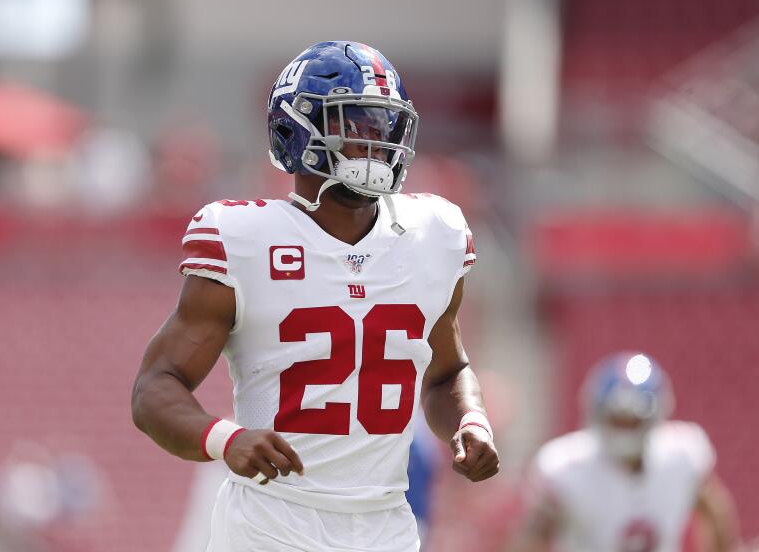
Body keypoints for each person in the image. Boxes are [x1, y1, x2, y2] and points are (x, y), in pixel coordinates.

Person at [131, 41, 500, 552]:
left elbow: (446, 372)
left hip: (386, 527)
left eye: (381, 126)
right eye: (353, 126)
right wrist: (226, 439)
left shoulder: (432, 235)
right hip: (270, 526)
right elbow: (153, 388)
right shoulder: (243, 238)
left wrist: (470, 420)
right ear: (296, 130)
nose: (373, 143)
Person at [507, 352, 740, 552]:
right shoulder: (565, 467)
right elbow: (533, 539)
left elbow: (715, 512)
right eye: (617, 419)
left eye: (632, 420)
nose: (624, 427)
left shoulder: (681, 456)